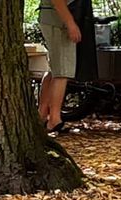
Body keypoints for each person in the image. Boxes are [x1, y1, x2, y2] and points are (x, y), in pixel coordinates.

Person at [37, 0, 82, 134]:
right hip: (58, 22)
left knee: (54, 70)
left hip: (52, 19)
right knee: (62, 72)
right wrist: (70, 23)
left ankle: (42, 115)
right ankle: (54, 119)